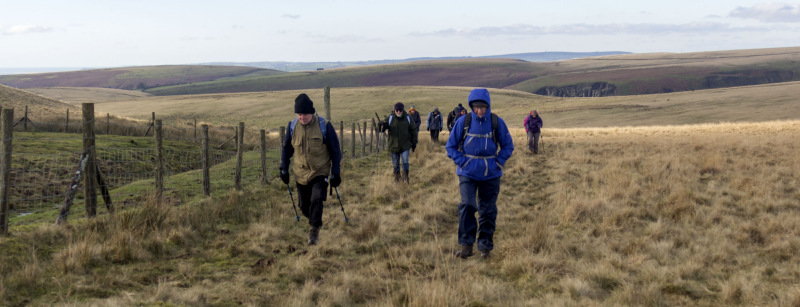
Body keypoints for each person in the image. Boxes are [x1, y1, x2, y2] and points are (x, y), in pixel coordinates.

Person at [446, 88, 514, 259]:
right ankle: (466, 246)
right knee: (467, 206)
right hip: (467, 173)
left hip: (491, 174)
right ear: (471, 106)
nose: (479, 111)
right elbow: (451, 146)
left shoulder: (496, 122)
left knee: (488, 210)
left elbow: (508, 145)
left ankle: (485, 246)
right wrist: (463, 162)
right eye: (476, 107)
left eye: (483, 107)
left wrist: (498, 162)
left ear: (488, 106)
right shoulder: (463, 121)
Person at [280, 93, 342, 246]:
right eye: (299, 114)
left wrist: (336, 172)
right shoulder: (292, 126)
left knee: (317, 198)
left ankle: (314, 231)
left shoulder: (324, 126)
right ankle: (313, 218)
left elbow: (335, 150)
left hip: (319, 171)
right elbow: (286, 149)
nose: (302, 117)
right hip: (300, 173)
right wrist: (283, 168)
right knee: (304, 207)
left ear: (312, 113)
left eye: (305, 114)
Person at [379, 102, 418, 183]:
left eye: (400, 110)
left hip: (405, 145)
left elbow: (413, 130)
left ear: (403, 110)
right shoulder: (390, 118)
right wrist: (380, 125)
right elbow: (381, 129)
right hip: (393, 145)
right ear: (394, 110)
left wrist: (414, 143)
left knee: (405, 162)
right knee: (395, 164)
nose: (398, 112)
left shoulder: (407, 118)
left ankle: (405, 178)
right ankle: (397, 179)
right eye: (397, 110)